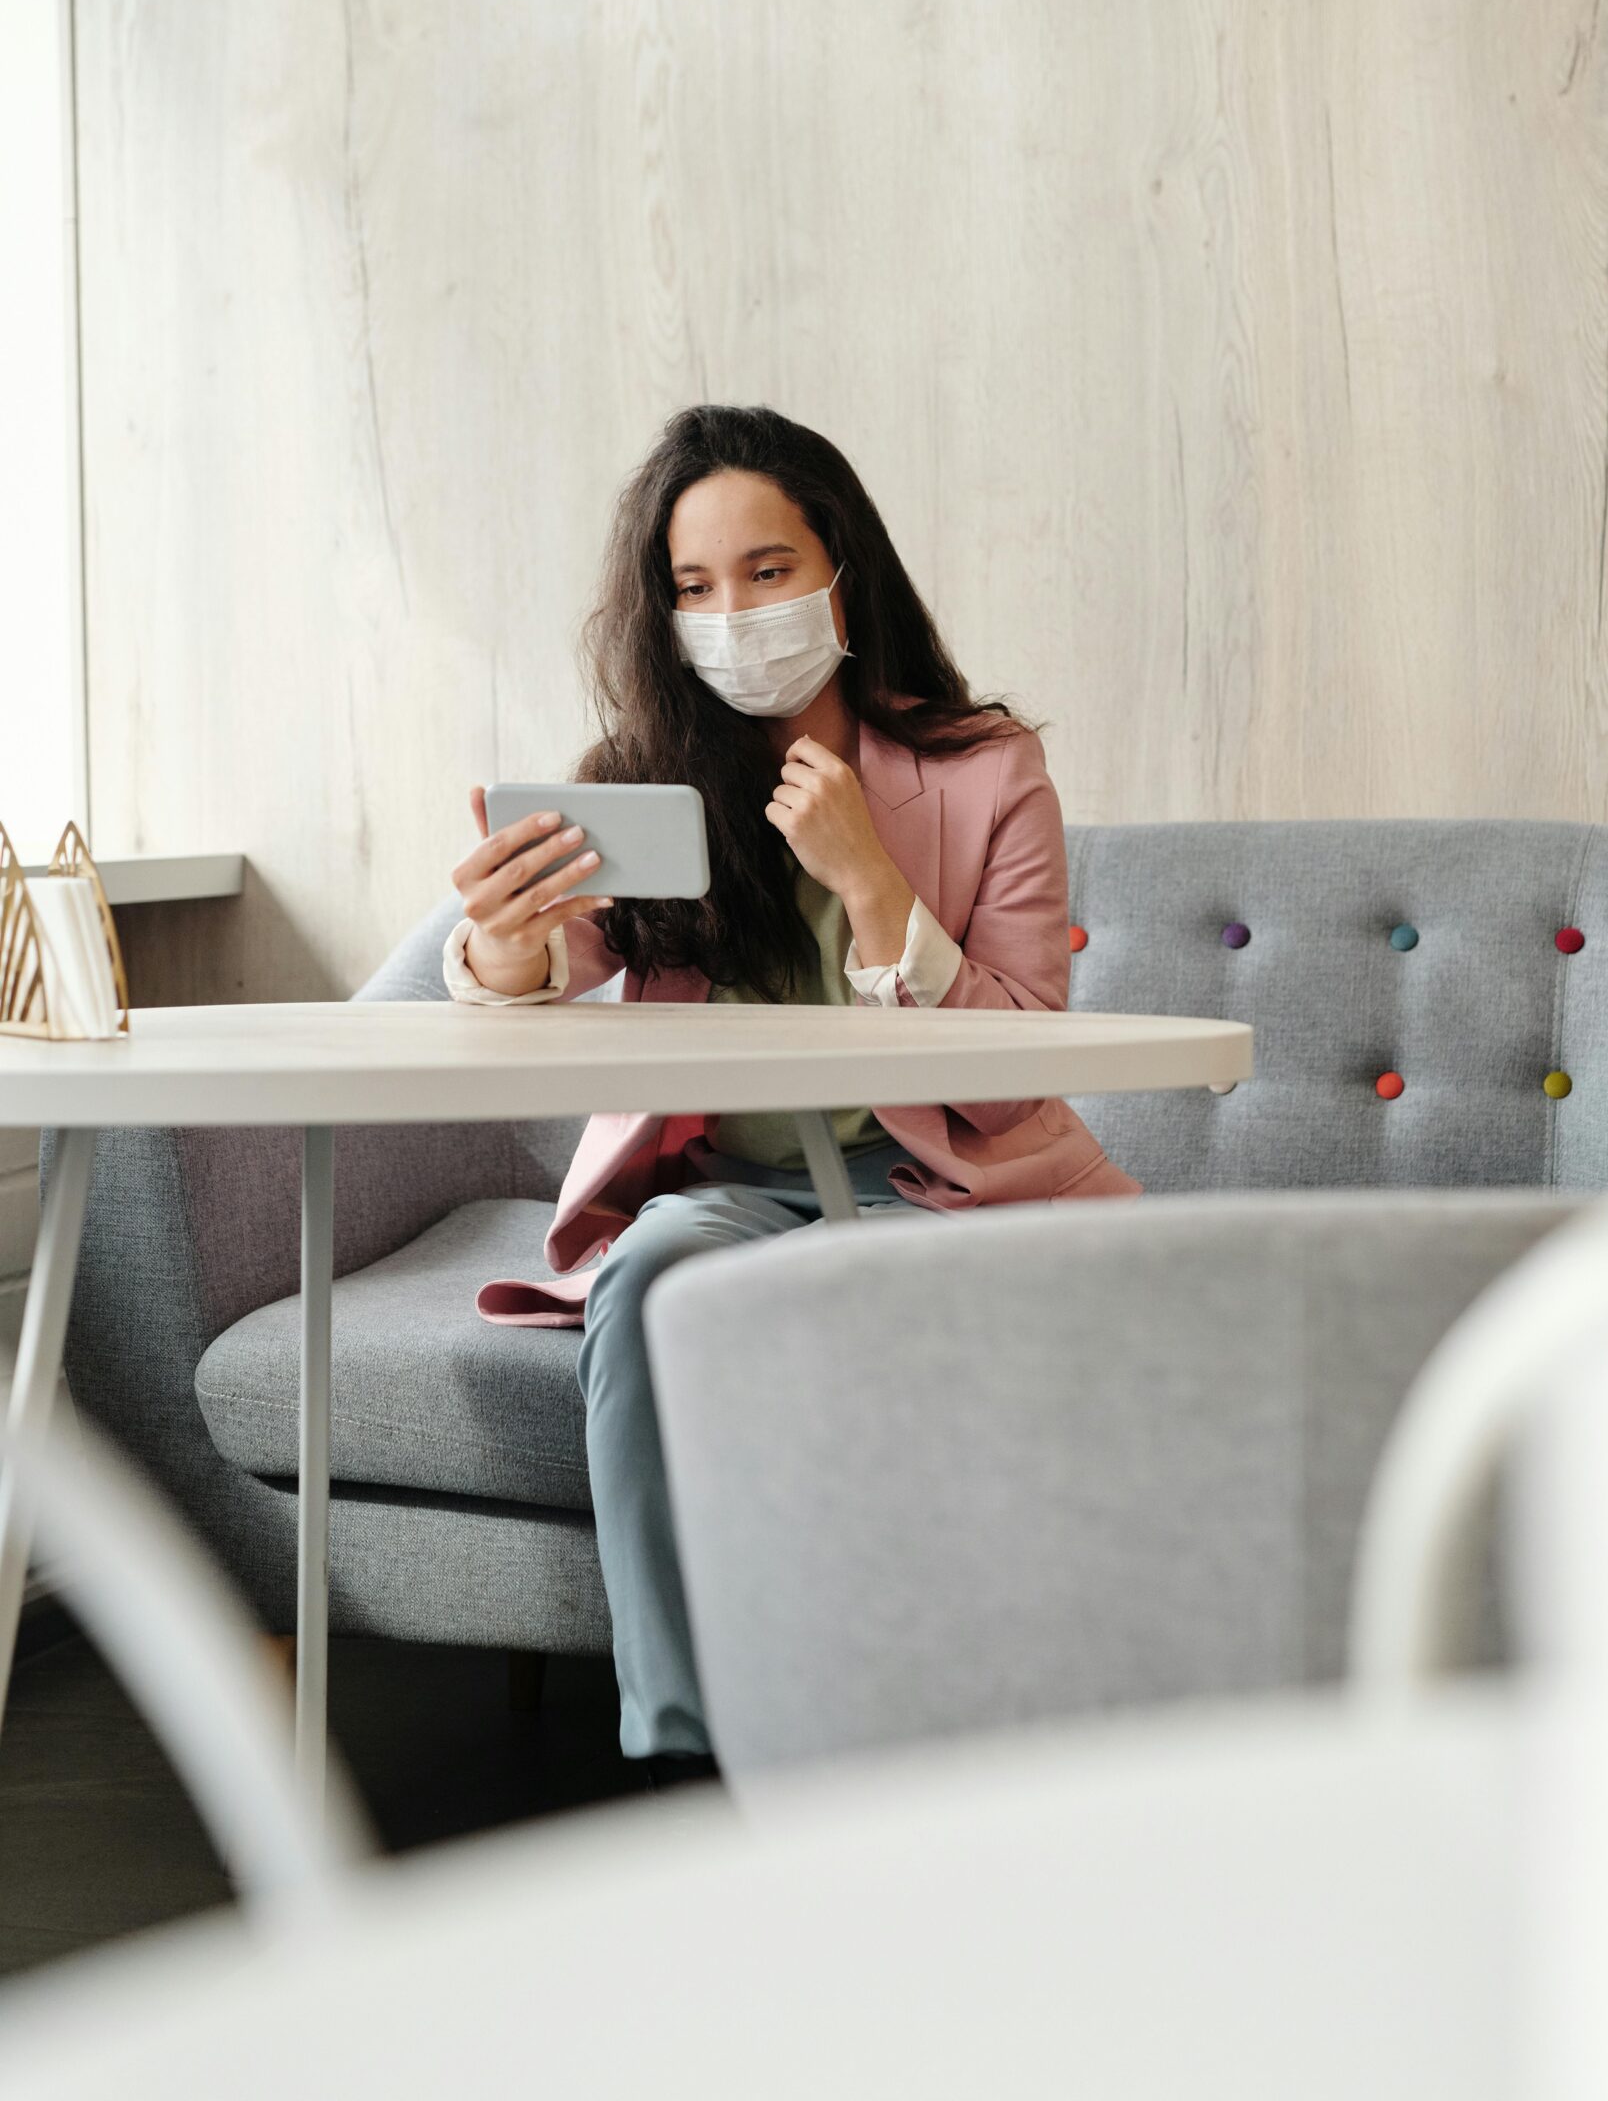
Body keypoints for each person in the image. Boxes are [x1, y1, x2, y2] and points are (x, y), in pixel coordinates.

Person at [445, 405, 1140, 1781]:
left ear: (841, 569)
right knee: (651, 1276)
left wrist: (871, 877)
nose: (732, 613)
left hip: (933, 1188)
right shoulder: (642, 791)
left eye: (765, 571)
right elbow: (527, 978)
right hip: (733, 1198)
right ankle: (692, 1752)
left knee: (873, 1311)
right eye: (694, 588)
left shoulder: (989, 771)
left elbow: (1024, 1059)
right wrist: (499, 945)